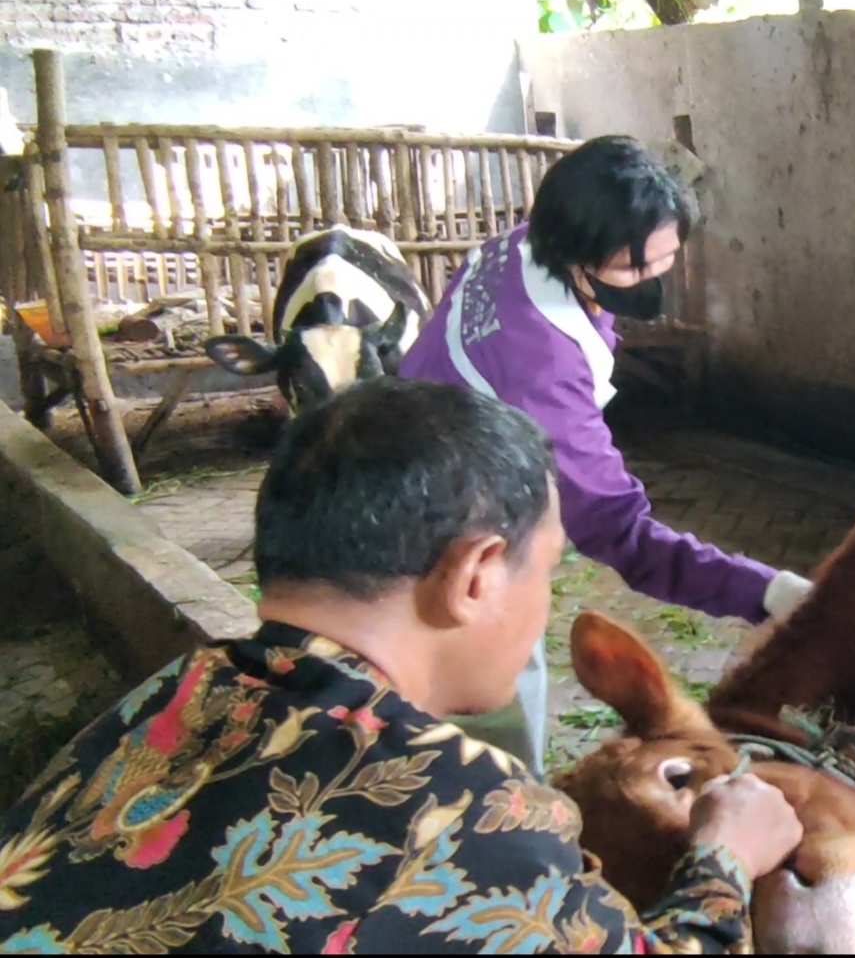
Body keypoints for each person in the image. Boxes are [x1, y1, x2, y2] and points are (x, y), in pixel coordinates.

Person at [0, 378, 803, 954]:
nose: (547, 600)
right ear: (478, 573)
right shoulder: (468, 812)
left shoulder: (156, 702)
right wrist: (724, 861)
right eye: (548, 568)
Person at [397, 136, 811, 778]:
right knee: (499, 677)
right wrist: (769, 591)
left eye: (664, 261)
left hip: (417, 440)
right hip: (451, 515)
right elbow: (621, 533)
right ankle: (510, 816)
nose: (652, 283)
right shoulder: (543, 369)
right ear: (573, 254)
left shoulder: (516, 245)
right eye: (630, 270)